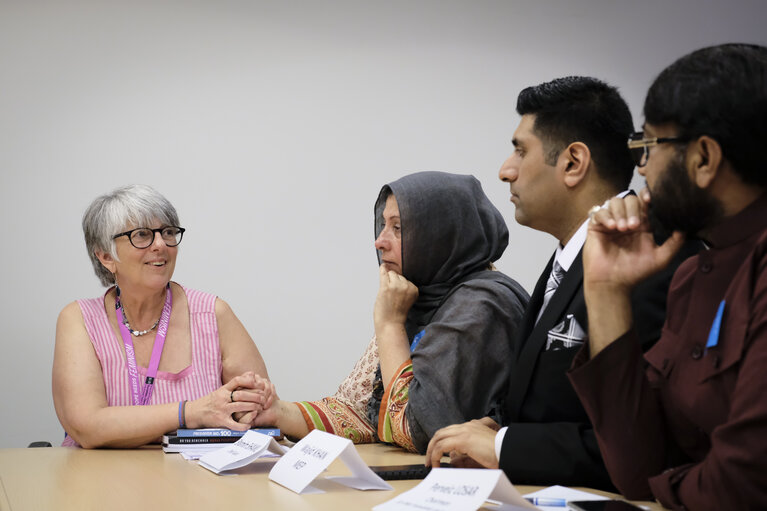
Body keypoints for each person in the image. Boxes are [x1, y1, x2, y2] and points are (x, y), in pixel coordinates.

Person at [426, 76, 699, 489]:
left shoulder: (650, 261)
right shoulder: (565, 258)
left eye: (520, 149)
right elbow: (550, 405)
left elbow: (644, 444)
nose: (506, 170)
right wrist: (493, 429)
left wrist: (504, 445)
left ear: (573, 163)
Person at [569, 44, 767, 509]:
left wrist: (668, 487)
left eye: (650, 146)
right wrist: (606, 290)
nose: (642, 169)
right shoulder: (691, 277)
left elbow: (742, 483)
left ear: (703, 159)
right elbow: (637, 470)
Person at [253, 171, 529, 453]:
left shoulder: (482, 305)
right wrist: (277, 412)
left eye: (398, 229)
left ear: (441, 235)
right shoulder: (420, 298)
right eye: (383, 225)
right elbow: (359, 411)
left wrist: (389, 326)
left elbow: (419, 429)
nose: (380, 241)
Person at [53, 184, 272, 448]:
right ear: (105, 256)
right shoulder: (79, 319)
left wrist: (250, 407)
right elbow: (87, 426)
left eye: (167, 233)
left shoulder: (214, 314)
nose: (161, 245)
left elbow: (260, 415)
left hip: (197, 482)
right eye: (142, 235)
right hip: (100, 482)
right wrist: (191, 413)